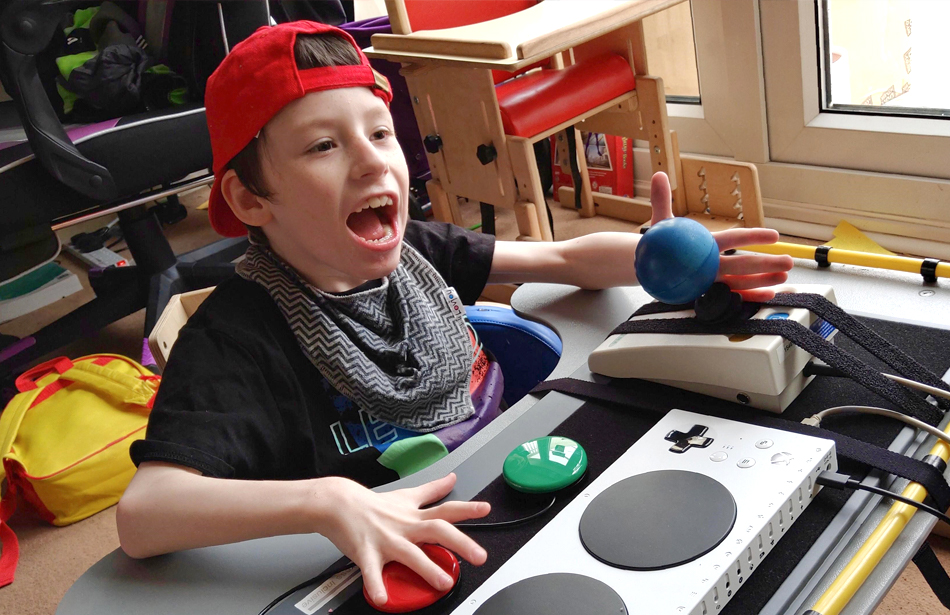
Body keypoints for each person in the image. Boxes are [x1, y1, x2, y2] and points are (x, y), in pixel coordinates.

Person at [115, 21, 793, 608]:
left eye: (379, 132)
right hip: (401, 548)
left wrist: (657, 256)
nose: (370, 162)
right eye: (324, 146)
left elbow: (561, 261)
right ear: (251, 198)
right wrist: (328, 501)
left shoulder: (416, 251)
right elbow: (145, 515)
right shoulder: (236, 340)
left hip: (513, 475)